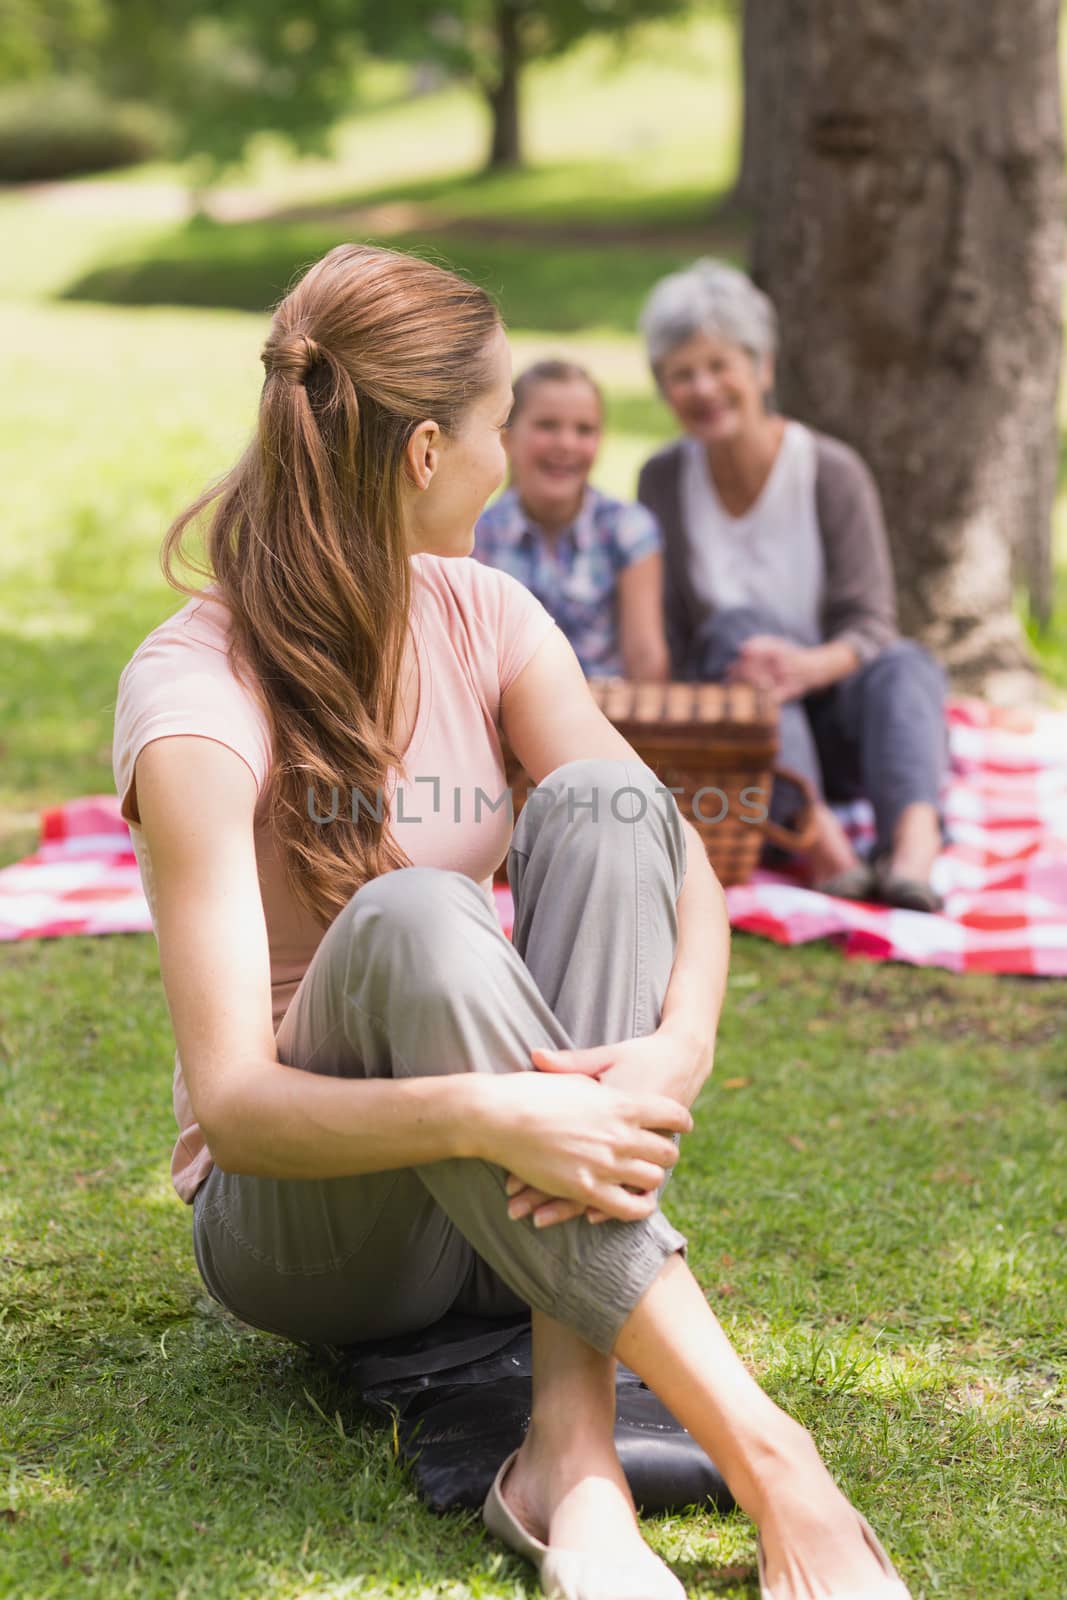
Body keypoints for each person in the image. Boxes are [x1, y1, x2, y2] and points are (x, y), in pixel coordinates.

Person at [112, 242, 912, 1600]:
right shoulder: (196, 690)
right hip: (313, 1227)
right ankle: (779, 1466)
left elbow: (671, 855)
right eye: (496, 430)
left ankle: (572, 1456)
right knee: (419, 915)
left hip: (513, 1184)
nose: (512, 458)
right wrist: (486, 1115)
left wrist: (680, 1047)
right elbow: (237, 1105)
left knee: (603, 807)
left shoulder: (484, 611)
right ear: (428, 451)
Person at [636, 259, 948, 913]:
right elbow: (669, 633)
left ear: (761, 369)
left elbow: (869, 621)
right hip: (742, 740)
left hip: (836, 722)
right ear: (664, 389)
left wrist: (804, 668)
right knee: (734, 628)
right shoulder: (662, 479)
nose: (703, 387)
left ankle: (911, 848)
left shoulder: (829, 472)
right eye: (681, 374)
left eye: (720, 365)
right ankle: (823, 846)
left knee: (904, 662)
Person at [474, 358, 670, 682]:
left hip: (607, 718)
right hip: (508, 720)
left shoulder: (628, 528)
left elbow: (645, 657)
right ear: (506, 438)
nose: (566, 444)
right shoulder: (480, 535)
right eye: (547, 426)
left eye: (584, 430)